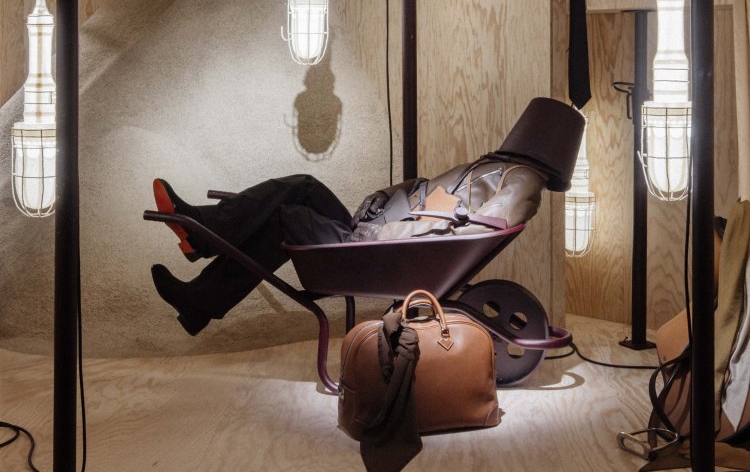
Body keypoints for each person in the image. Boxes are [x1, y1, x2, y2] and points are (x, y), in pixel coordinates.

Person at [148, 97, 584, 336]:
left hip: (386, 249)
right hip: (381, 237)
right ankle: (201, 257)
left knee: (284, 218)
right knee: (303, 185)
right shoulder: (497, 167)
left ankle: (202, 247)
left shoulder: (522, 182)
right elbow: (431, 194)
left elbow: (469, 227)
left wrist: (390, 229)